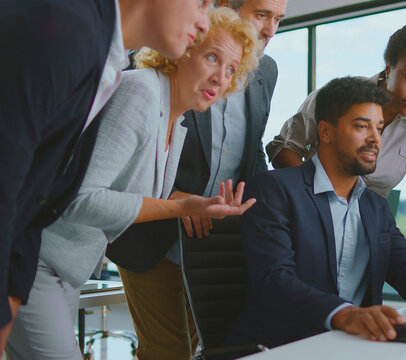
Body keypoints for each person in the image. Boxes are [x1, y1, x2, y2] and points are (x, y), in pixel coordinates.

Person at [5, 8, 259, 360]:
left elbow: (124, 193)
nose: (221, 77)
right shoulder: (142, 92)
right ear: (185, 51)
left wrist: (194, 203)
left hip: (69, 269)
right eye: (212, 58)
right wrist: (180, 207)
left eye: (231, 69)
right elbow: (80, 197)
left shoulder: (177, 123)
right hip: (39, 262)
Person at [227, 77, 406, 347]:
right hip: (281, 347)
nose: (375, 139)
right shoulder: (272, 190)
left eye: (378, 128)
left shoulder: (375, 207)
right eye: (361, 126)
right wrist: (344, 314)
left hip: (355, 347)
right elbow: (273, 280)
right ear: (325, 132)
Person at [103, 0, 285, 359]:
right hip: (150, 231)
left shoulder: (267, 72)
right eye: (262, 14)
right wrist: (176, 198)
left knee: (197, 347)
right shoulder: (169, 48)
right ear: (224, 7)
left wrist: (273, 206)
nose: (270, 30)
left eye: (278, 20)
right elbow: (125, 145)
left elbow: (252, 151)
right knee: (167, 352)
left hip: (212, 240)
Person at [267, 25, 406, 296]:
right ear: (389, 67)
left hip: (369, 216)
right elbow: (284, 147)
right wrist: (318, 204)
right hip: (309, 213)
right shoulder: (340, 97)